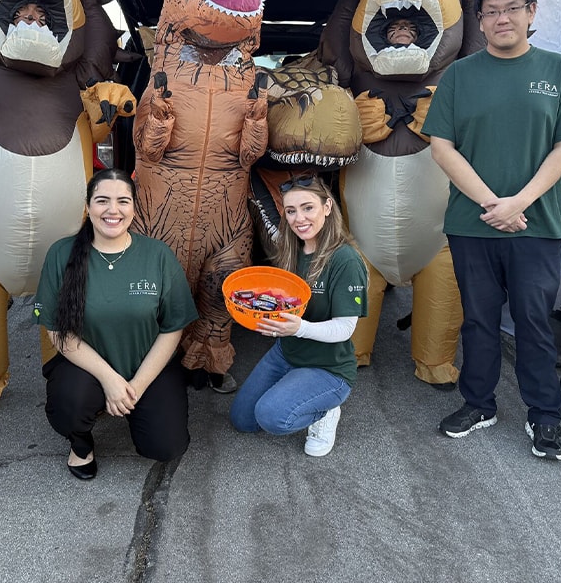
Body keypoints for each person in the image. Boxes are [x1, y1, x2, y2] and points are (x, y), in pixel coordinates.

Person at [422, 0, 561, 461]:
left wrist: (518, 203)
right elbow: (442, 147)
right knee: (477, 319)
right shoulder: (460, 74)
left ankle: (544, 415)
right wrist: (490, 205)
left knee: (534, 320)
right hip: (471, 224)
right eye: (491, 11)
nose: (502, 18)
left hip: (536, 225)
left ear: (531, 13)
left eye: (512, 8)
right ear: (480, 20)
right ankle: (479, 404)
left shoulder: (558, 70)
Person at [34, 168, 198, 480]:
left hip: (147, 364)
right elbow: (57, 330)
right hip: (85, 365)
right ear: (87, 206)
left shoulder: (157, 255)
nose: (113, 210)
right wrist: (109, 379)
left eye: (123, 201)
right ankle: (81, 443)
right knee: (69, 406)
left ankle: (131, 404)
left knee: (166, 447)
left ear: (134, 208)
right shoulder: (62, 254)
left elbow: (173, 326)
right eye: (102, 200)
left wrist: (135, 387)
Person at [230, 173, 367, 457]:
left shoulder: (345, 260)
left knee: (272, 418)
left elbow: (345, 329)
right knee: (243, 420)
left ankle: (326, 412)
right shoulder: (291, 249)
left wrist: (299, 328)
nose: (298, 218)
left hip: (327, 366)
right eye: (290, 211)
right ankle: (295, 386)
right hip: (286, 353)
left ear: (327, 207)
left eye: (308, 207)